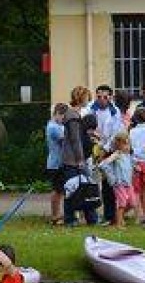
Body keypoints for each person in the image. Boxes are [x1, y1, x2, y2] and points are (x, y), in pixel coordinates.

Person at [59, 91, 97, 226]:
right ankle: (71, 219)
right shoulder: (73, 116)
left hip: (72, 159)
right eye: (87, 97)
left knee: (82, 188)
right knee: (73, 189)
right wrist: (81, 159)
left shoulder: (73, 114)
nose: (88, 100)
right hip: (73, 160)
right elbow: (75, 140)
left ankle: (90, 218)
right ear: (80, 98)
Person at [91, 85, 124, 225]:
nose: (102, 100)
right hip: (93, 148)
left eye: (105, 97)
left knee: (108, 184)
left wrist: (104, 149)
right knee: (91, 183)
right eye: (99, 97)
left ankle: (109, 215)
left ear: (110, 97)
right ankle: (90, 215)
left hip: (108, 150)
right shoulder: (91, 109)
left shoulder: (115, 111)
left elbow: (115, 133)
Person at [97, 131, 137, 227]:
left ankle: (118, 217)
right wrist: (112, 177)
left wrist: (135, 167)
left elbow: (131, 165)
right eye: (125, 144)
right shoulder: (117, 154)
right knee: (122, 203)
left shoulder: (129, 156)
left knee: (132, 203)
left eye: (128, 144)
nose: (128, 147)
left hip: (128, 183)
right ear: (119, 145)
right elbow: (103, 165)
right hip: (119, 183)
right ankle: (119, 223)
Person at [45, 103, 68, 225]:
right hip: (55, 164)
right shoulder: (53, 127)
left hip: (60, 163)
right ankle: (55, 216)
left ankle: (59, 215)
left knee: (61, 190)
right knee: (57, 191)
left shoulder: (59, 126)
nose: (64, 120)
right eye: (63, 117)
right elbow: (64, 141)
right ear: (57, 114)